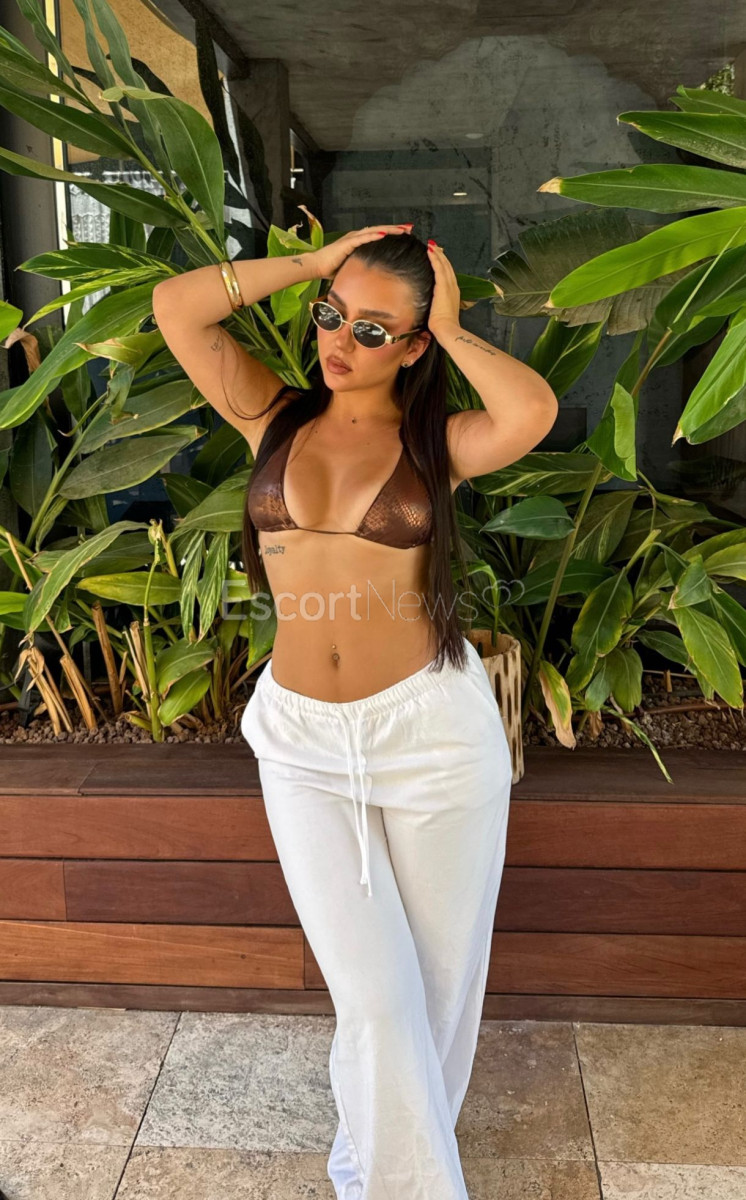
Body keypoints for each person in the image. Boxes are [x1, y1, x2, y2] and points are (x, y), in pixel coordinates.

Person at [153, 225, 557, 1199]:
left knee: (439, 989)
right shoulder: (273, 416)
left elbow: (530, 411)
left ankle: (377, 1171)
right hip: (300, 739)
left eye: (374, 330)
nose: (340, 341)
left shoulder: (436, 443)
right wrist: (312, 262)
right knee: (374, 996)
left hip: (430, 734)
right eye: (332, 316)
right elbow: (177, 308)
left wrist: (453, 329)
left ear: (412, 345)